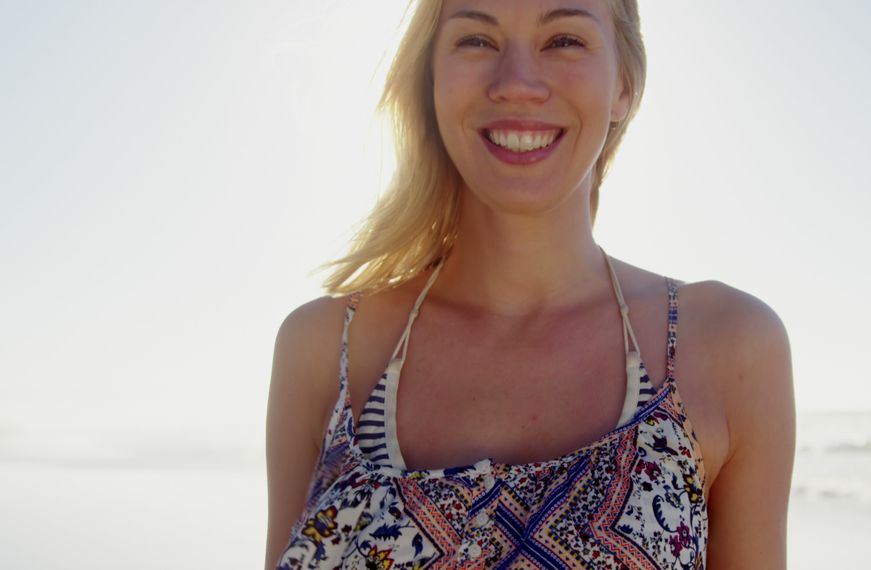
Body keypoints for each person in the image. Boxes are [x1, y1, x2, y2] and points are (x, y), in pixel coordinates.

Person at [265, 0, 795, 568]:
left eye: (564, 39)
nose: (517, 83)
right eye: (476, 40)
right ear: (431, 78)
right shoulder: (326, 351)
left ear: (625, 85)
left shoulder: (727, 348)